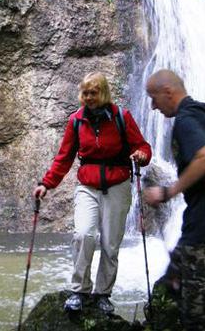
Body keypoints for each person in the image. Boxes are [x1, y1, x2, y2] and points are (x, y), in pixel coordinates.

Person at [34, 72, 152, 314]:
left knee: (110, 243)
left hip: (117, 186)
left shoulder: (122, 117)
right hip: (87, 186)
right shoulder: (76, 121)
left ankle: (103, 294)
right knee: (83, 235)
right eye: (85, 93)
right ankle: (79, 290)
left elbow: (142, 146)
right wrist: (47, 184)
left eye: (93, 92)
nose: (88, 97)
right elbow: (64, 157)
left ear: (104, 92)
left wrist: (142, 156)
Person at [143, 69, 205, 331]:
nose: (152, 106)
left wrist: (168, 192)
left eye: (153, 98)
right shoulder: (204, 112)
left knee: (198, 314)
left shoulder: (187, 120)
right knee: (175, 280)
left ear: (168, 92)